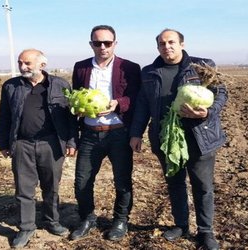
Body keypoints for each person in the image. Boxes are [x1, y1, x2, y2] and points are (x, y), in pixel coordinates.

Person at [129, 29, 227, 250]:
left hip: (199, 135)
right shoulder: (149, 72)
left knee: (202, 186)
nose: (167, 47)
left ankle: (205, 231)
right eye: (162, 44)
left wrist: (208, 113)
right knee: (175, 183)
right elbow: (143, 104)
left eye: (171, 42)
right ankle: (181, 224)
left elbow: (221, 93)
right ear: (158, 48)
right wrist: (136, 133)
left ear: (182, 44)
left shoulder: (202, 65)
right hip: (165, 137)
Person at [0, 49, 78, 248]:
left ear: (42, 65)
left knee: (51, 186)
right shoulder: (11, 86)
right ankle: (26, 227)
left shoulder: (60, 85)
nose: (23, 67)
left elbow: (71, 117)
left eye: (27, 63)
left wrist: (72, 141)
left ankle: (52, 221)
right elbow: (4, 116)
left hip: (51, 144)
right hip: (22, 144)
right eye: (20, 63)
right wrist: (3, 143)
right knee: (24, 189)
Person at [69, 25, 141, 241]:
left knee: (122, 181)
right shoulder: (81, 67)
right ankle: (87, 218)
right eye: (97, 43)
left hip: (118, 132)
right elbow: (75, 96)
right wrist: (78, 108)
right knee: (82, 180)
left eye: (107, 43)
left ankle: (120, 220)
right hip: (90, 133)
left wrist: (117, 104)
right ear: (91, 44)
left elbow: (136, 98)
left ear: (115, 44)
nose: (102, 47)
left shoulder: (129, 67)